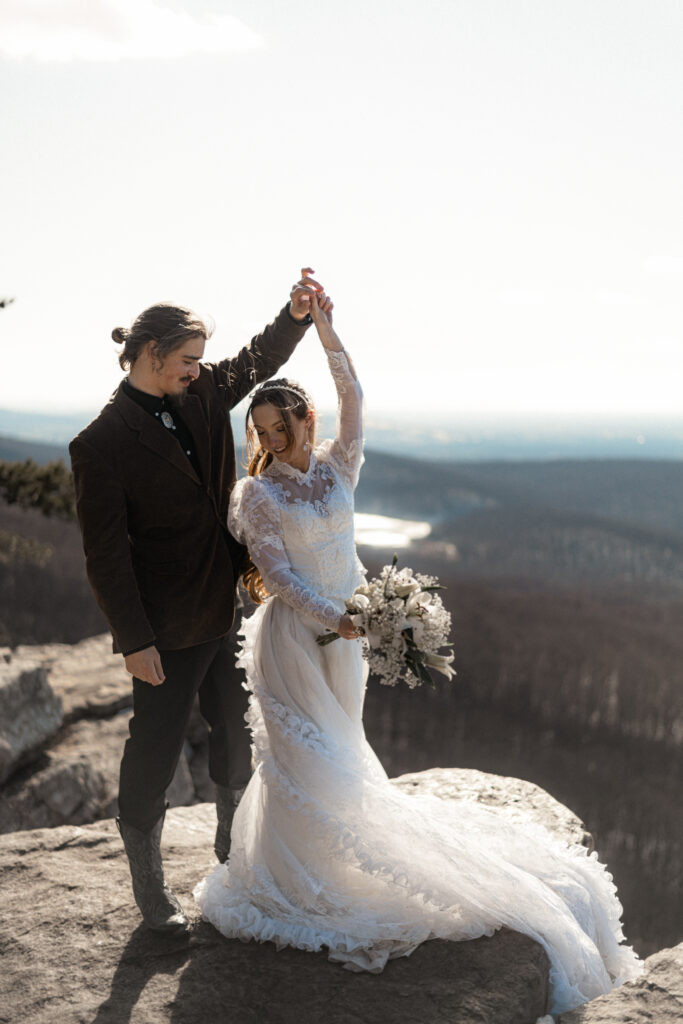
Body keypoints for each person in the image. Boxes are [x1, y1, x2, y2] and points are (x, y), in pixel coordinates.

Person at [194, 291, 643, 1015]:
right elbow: (274, 576)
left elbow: (355, 394)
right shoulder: (256, 494)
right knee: (303, 759)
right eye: (264, 431)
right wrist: (336, 616)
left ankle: (333, 860)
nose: (276, 440)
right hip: (295, 642)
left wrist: (326, 328)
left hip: (346, 642)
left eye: (285, 425)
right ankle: (295, 880)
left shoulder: (340, 467)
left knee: (342, 753)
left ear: (306, 419)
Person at [70, 270, 327, 934]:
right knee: (153, 746)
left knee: (234, 727)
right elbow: (106, 553)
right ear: (151, 354)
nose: (199, 369)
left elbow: (256, 360)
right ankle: (150, 887)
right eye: (186, 359)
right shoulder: (100, 444)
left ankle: (228, 844)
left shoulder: (205, 387)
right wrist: (133, 639)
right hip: (163, 626)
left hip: (228, 603)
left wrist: (295, 316)